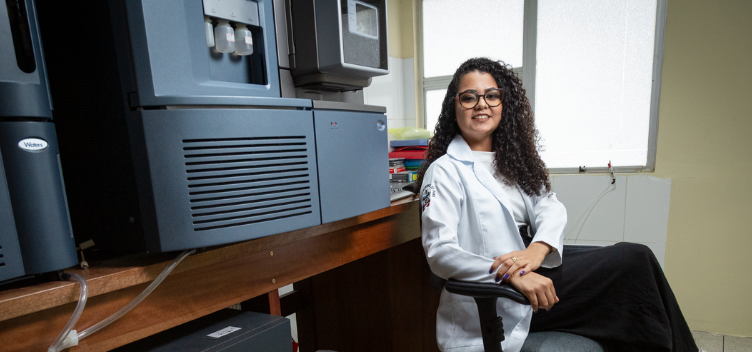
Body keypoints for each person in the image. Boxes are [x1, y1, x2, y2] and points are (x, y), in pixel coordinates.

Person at [417, 57, 700, 352]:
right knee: (633, 267)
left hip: (533, 264)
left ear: (504, 104)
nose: (481, 104)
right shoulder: (445, 171)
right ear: (454, 106)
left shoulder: (512, 161)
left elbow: (549, 207)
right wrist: (513, 273)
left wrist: (537, 249)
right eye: (469, 97)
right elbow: (441, 254)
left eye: (491, 95)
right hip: (502, 293)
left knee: (637, 264)